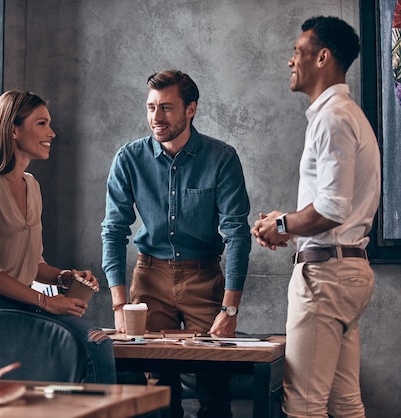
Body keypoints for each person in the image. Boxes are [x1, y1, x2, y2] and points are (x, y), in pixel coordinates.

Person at [101, 70, 251, 418]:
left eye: (166, 108)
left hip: (203, 277)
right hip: (149, 276)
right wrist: (119, 305)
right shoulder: (129, 158)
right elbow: (113, 230)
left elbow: (237, 233)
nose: (156, 117)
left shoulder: (222, 158)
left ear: (191, 109)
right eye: (151, 107)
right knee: (159, 393)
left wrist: (230, 309)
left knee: (214, 387)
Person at [251, 16, 380, 418]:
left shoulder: (333, 117)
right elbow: (335, 210)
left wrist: (283, 225)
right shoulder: (348, 114)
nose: (291, 61)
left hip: (325, 278)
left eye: (297, 51)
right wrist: (287, 227)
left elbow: (331, 208)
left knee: (303, 406)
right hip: (345, 271)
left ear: (322, 57)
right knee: (345, 404)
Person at [0, 89, 116, 384]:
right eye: (41, 124)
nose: (51, 132)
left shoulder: (32, 185)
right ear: (14, 129)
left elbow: (33, 264)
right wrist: (46, 302)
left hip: (22, 303)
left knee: (97, 339)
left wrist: (65, 278)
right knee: (84, 345)